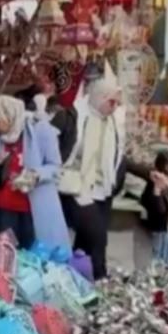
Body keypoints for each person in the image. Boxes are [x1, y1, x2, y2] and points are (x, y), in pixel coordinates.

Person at [57, 78, 128, 280]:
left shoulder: (114, 123)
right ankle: (100, 278)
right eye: (111, 102)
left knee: (87, 239)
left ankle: (78, 279)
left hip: (103, 188)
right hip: (76, 186)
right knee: (97, 236)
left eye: (117, 103)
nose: (114, 107)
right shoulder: (74, 116)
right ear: (99, 98)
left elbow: (120, 155)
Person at [0, 95, 68, 248]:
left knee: (31, 254)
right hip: (4, 206)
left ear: (9, 116)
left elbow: (55, 167)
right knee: (6, 253)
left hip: (32, 207)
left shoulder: (39, 130)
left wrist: (36, 174)